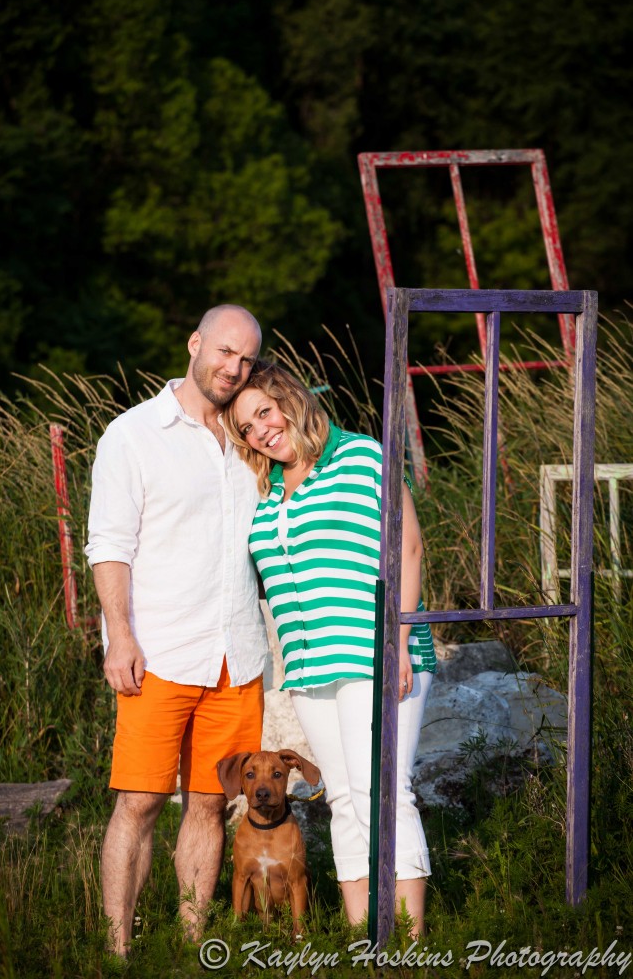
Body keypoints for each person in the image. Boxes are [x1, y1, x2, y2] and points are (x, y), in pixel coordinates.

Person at [222, 361, 436, 935]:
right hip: (311, 669)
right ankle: (362, 932)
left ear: (290, 398)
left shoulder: (361, 457)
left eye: (264, 412)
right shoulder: (266, 493)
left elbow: (408, 549)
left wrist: (399, 641)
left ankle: (409, 941)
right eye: (246, 427)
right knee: (340, 797)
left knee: (385, 791)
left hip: (375, 654)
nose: (260, 431)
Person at [85, 304, 269, 955]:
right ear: (195, 344)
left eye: (246, 359)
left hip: (238, 656)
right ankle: (117, 950)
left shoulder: (254, 439)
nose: (233, 368)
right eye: (224, 352)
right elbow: (109, 545)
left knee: (211, 805)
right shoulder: (133, 436)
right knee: (138, 804)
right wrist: (120, 636)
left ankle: (190, 946)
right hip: (158, 652)